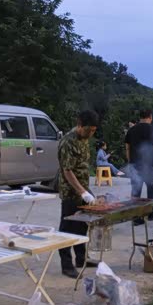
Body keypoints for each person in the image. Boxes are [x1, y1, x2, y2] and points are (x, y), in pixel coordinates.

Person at [57, 110, 100, 278]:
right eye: (88, 130)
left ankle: (81, 259)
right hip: (70, 192)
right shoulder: (68, 142)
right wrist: (82, 192)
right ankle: (66, 265)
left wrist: (87, 191)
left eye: (94, 131)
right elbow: (67, 171)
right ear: (80, 125)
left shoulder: (84, 139)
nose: (90, 134)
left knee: (82, 225)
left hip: (83, 189)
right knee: (67, 228)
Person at [125, 109, 153, 223]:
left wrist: (130, 162)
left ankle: (135, 217)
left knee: (135, 191)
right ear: (150, 117)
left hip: (135, 165)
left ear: (140, 117)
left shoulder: (131, 130)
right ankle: (152, 213)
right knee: (151, 190)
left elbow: (127, 148)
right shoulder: (152, 129)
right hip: (150, 166)